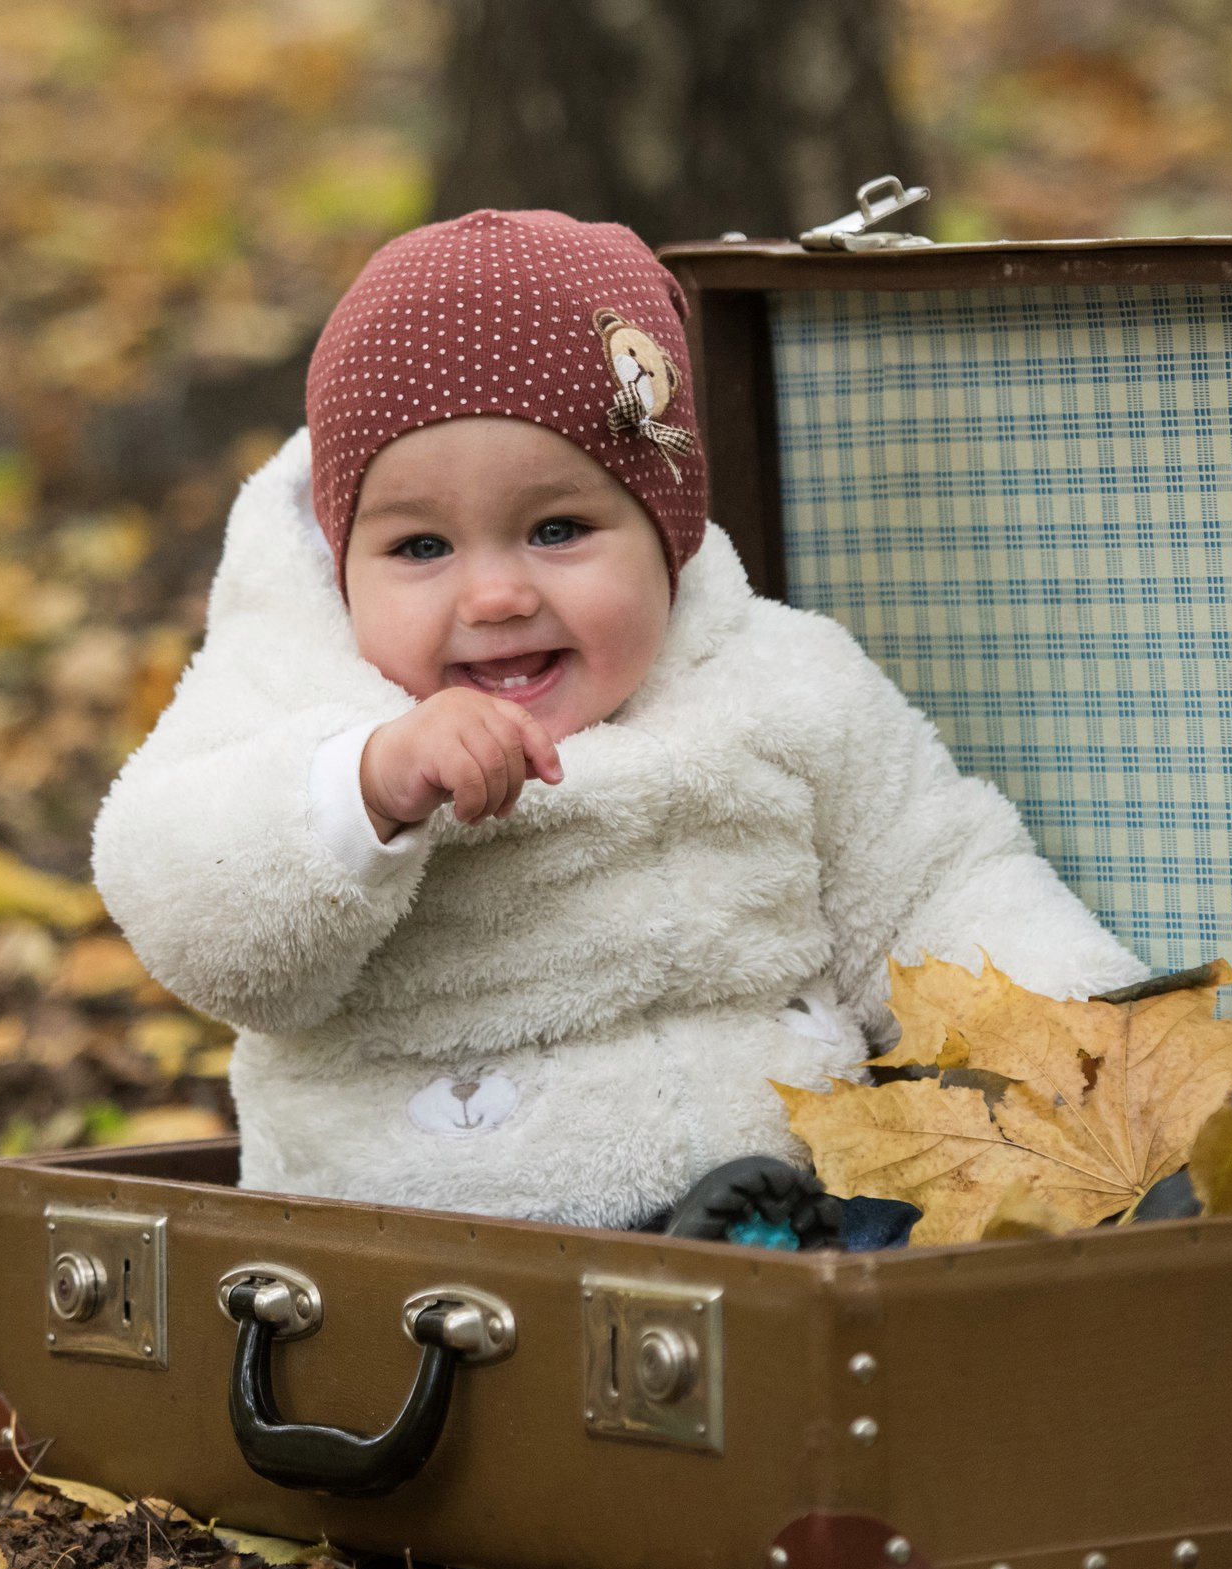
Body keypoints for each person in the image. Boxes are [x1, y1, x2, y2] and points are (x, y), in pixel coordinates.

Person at [90, 210, 1145, 1230]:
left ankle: (1120, 1205)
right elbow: (187, 906)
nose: (495, 595)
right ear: (342, 559)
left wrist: (1099, 1047)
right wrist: (360, 789)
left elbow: (930, 877)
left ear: (666, 534)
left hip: (804, 1191)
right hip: (442, 1225)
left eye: (557, 529)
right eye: (421, 548)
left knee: (954, 1232)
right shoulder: (296, 698)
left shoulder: (777, 676)